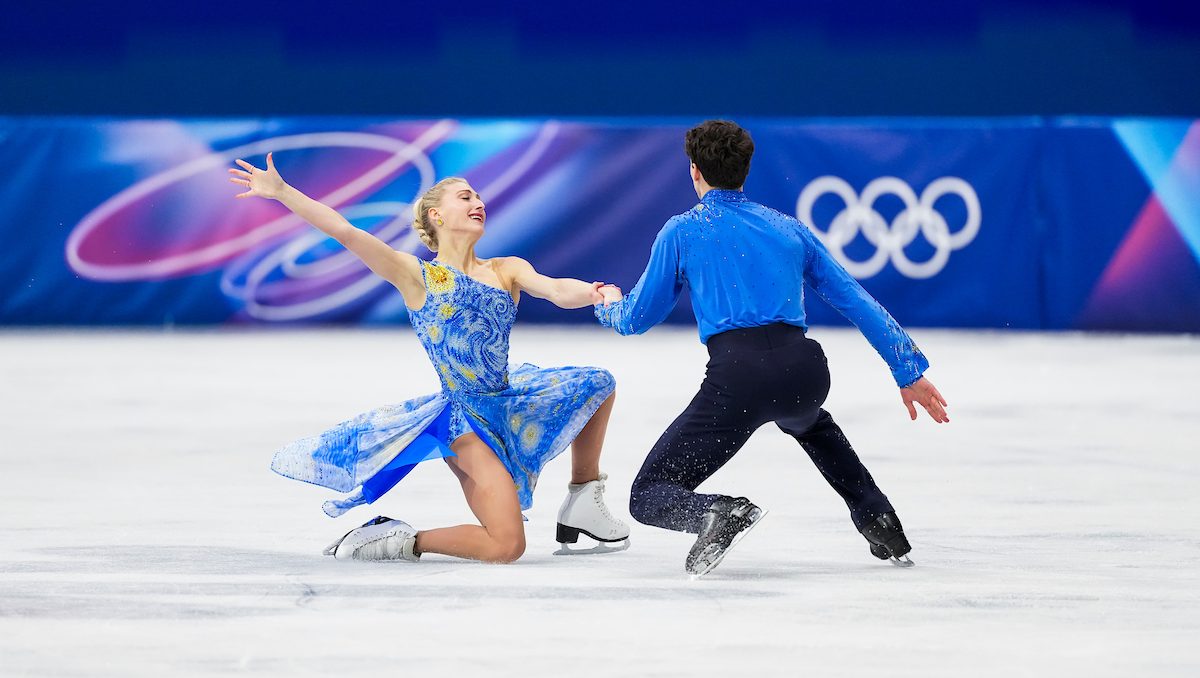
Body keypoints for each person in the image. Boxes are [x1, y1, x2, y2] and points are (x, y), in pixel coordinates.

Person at [229, 153, 630, 563]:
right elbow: (345, 231)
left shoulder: (506, 268)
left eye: (478, 197)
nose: (479, 203)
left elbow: (556, 289)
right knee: (506, 546)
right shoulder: (414, 275)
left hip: (508, 404)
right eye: (465, 197)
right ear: (436, 215)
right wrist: (282, 192)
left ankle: (583, 496)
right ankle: (397, 539)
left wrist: (595, 293)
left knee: (597, 382)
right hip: (464, 422)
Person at [594, 120, 949, 577]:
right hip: (805, 372)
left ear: (695, 171)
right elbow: (855, 300)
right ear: (745, 170)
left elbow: (637, 317)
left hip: (739, 378)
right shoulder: (788, 229)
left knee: (648, 494)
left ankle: (716, 514)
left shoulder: (682, 231)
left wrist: (609, 305)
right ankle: (879, 518)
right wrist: (908, 372)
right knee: (812, 425)